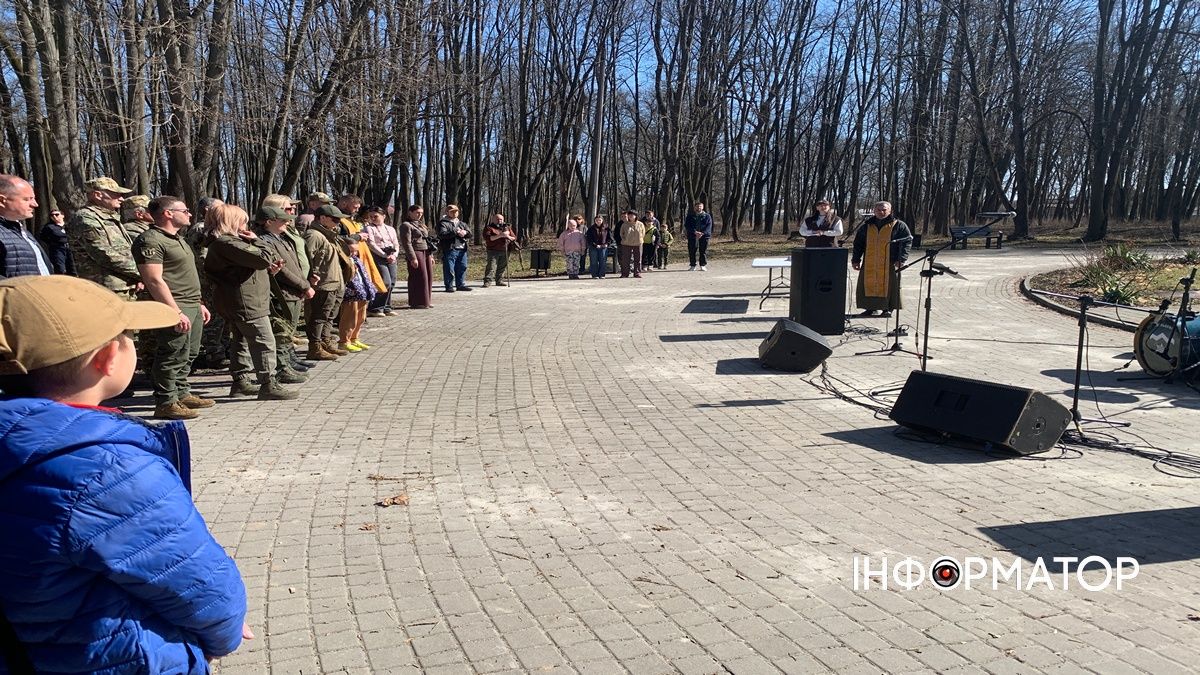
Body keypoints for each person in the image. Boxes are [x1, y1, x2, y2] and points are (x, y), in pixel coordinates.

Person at [0, 274, 250, 672]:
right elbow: (195, 579)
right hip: (113, 658)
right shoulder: (104, 468)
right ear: (106, 358)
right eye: (128, 336)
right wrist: (224, 634)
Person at [203, 204, 298, 400]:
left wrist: (267, 269)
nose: (246, 225)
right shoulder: (227, 243)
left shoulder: (225, 243)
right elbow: (262, 257)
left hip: (242, 299)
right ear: (231, 221)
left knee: (241, 341)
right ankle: (268, 383)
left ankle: (241, 381)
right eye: (242, 221)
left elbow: (246, 267)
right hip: (246, 302)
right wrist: (258, 241)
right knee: (264, 341)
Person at [133, 196, 215, 420]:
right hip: (174, 304)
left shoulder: (178, 239)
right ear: (168, 213)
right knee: (171, 353)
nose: (190, 214)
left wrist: (198, 303)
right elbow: (154, 280)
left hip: (191, 303)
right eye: (185, 210)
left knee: (190, 352)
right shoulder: (150, 240)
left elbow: (184, 275)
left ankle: (181, 393)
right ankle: (166, 402)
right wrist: (175, 311)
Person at [254, 206, 313, 383]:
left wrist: (305, 282)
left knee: (288, 332)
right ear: (268, 222)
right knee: (281, 332)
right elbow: (282, 271)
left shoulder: (280, 238)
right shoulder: (264, 241)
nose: (287, 222)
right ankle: (281, 368)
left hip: (292, 292)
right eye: (283, 220)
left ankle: (288, 362)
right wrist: (304, 285)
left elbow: (294, 264)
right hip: (281, 293)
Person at [66, 177, 141, 298]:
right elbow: (104, 254)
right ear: (98, 195)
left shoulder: (108, 217)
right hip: (105, 288)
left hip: (126, 285)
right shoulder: (85, 218)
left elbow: (126, 250)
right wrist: (141, 273)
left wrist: (137, 278)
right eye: (115, 194)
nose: (121, 198)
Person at [851, 200, 912, 318]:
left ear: (890, 211)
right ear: (874, 211)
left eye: (884, 210)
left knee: (889, 286)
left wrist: (902, 258)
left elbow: (907, 242)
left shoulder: (898, 225)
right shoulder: (867, 226)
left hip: (890, 262)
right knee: (869, 284)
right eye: (878, 210)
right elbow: (858, 244)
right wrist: (856, 260)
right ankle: (870, 308)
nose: (881, 212)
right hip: (870, 262)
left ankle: (887, 309)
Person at [301, 204, 347, 360]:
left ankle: (325, 342)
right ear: (322, 218)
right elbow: (305, 260)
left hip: (335, 282)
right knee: (319, 316)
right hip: (322, 284)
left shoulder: (329, 235)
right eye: (335, 219)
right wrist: (309, 278)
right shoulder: (313, 235)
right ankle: (315, 348)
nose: (338, 223)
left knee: (329, 316)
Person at [335, 203, 379, 353]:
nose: (354, 254)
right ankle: (344, 340)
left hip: (362, 291)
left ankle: (355, 337)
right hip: (351, 291)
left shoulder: (357, 259)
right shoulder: (345, 259)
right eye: (351, 251)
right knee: (350, 314)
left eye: (355, 251)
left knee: (361, 313)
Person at [0, 174, 50, 278]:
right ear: (2, 201)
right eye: (27, 199)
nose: (35, 204)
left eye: (33, 198)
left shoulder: (20, 230)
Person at [361, 205, 399, 316]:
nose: (373, 218)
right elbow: (371, 244)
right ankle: (375, 307)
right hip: (378, 255)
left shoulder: (390, 229)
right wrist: (384, 255)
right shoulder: (368, 228)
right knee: (384, 281)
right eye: (371, 216)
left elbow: (396, 243)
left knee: (392, 281)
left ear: (383, 216)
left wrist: (394, 255)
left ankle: (386, 306)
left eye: (375, 216)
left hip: (391, 255)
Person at [399, 205, 434, 308]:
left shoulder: (421, 224)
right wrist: (412, 258)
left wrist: (431, 255)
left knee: (428, 276)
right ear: (410, 213)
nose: (419, 215)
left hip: (426, 251)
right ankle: (417, 302)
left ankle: (426, 301)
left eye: (421, 213)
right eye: (417, 212)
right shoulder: (406, 225)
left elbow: (427, 240)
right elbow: (407, 243)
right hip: (416, 251)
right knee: (419, 276)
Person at [437, 204, 471, 292]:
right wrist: (456, 232)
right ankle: (449, 286)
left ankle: (460, 285)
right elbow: (442, 234)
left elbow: (470, 234)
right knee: (449, 268)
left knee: (462, 267)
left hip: (462, 249)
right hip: (450, 249)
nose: (454, 213)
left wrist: (465, 233)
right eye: (452, 212)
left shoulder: (462, 223)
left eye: (456, 211)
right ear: (447, 212)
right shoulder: (443, 223)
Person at [37, 207, 74, 275]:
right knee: (60, 269)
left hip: (70, 248)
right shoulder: (49, 227)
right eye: (52, 215)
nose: (54, 216)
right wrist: (53, 243)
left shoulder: (69, 225)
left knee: (72, 268)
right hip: (58, 249)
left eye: (57, 214)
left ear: (62, 215)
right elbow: (43, 237)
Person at [483, 213, 516, 287]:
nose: (499, 221)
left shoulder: (506, 228)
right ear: (493, 220)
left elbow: (514, 237)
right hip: (493, 250)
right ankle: (487, 281)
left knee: (502, 267)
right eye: (497, 219)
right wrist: (501, 235)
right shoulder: (489, 228)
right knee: (491, 267)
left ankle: (499, 280)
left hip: (505, 250)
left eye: (501, 219)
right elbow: (489, 238)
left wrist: (508, 236)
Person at [684, 200, 713, 271]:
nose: (698, 208)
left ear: (703, 207)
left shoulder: (707, 216)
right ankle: (693, 265)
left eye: (700, 206)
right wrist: (695, 232)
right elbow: (687, 225)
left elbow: (709, 226)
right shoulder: (690, 216)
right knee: (692, 250)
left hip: (704, 236)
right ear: (694, 208)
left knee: (703, 251)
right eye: (697, 206)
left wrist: (702, 233)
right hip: (692, 236)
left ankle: (702, 265)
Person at [617, 210, 646, 278]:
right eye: (629, 215)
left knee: (638, 259)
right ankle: (625, 273)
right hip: (626, 244)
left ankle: (637, 273)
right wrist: (624, 239)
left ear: (636, 216)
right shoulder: (624, 224)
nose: (631, 216)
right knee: (625, 259)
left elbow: (643, 233)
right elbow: (621, 233)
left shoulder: (640, 224)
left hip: (638, 243)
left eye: (632, 215)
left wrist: (640, 239)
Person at [558, 215, 586, 280]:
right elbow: (561, 243)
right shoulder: (564, 234)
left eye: (574, 226)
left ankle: (575, 274)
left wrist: (583, 250)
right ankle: (570, 274)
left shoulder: (579, 233)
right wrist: (562, 250)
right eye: (571, 225)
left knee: (576, 263)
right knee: (569, 263)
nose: (572, 227)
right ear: (568, 226)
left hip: (577, 251)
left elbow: (583, 242)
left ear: (576, 226)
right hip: (568, 251)